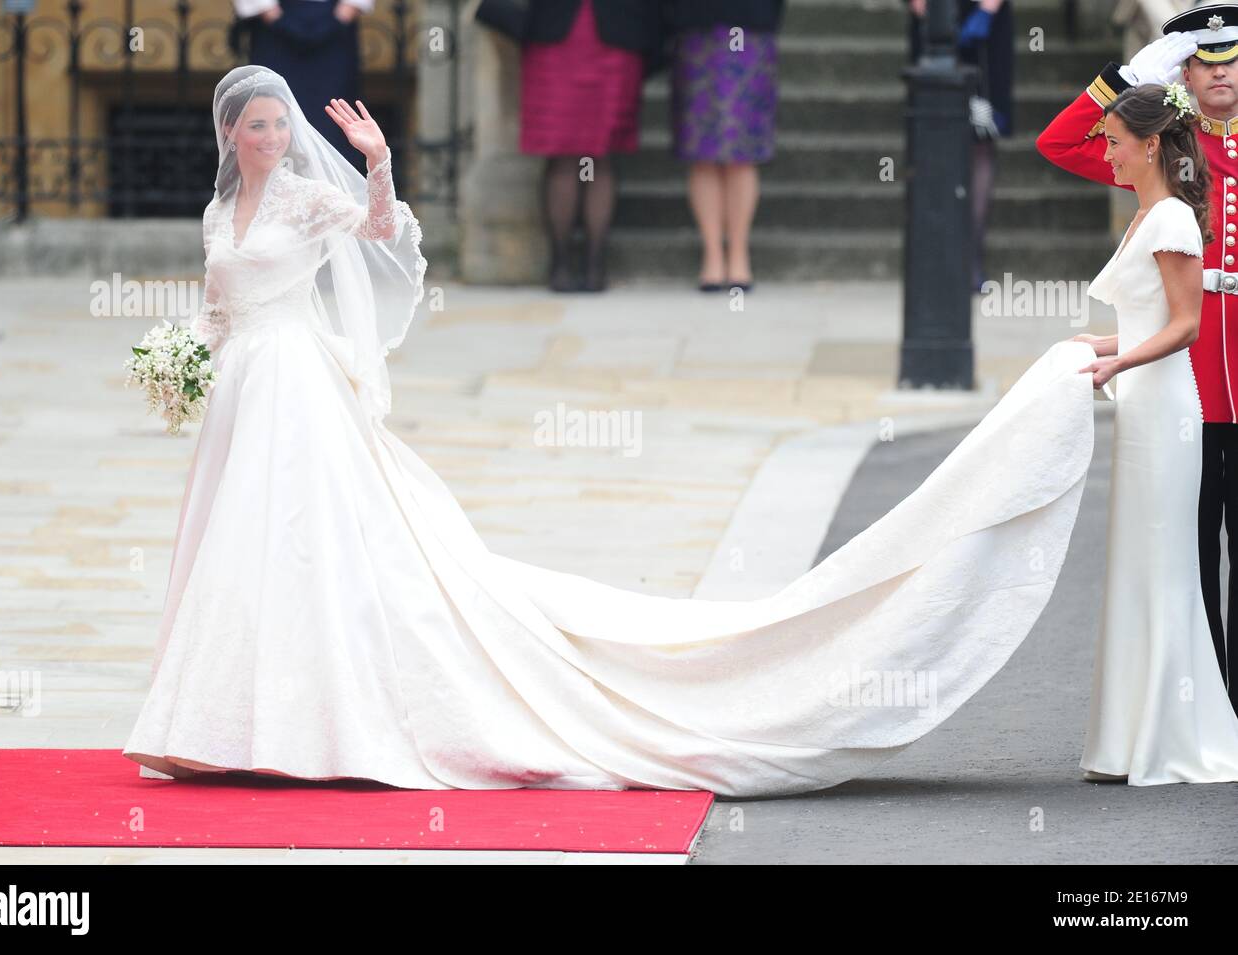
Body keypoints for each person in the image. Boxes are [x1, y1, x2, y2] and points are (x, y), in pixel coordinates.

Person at [121, 65, 1228, 795]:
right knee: (240, 543)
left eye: (277, 123)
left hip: (303, 393)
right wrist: (184, 360)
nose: (268, 136)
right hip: (243, 389)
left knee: (316, 538)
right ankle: (220, 714)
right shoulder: (224, 208)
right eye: (253, 125)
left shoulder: (313, 198)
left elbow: (380, 233)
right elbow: (219, 301)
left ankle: (299, 719)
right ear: (233, 137)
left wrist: (375, 162)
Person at [1037, 4, 1238, 721]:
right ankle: (1208, 699)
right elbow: (1061, 144)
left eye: (1231, 61)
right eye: (1206, 63)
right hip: (1194, 383)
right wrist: (1123, 79)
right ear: (1185, 72)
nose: (1221, 75)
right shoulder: (1173, 157)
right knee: (1189, 555)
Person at [518, 0, 663, 293]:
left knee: (599, 153)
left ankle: (595, 262)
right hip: (556, 34)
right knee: (562, 151)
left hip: (616, 34)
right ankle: (560, 262)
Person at [664, 0, 784, 294]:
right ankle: (713, 254)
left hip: (748, 28)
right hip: (697, 30)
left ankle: (739, 253)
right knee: (701, 151)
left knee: (741, 150)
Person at [908, 0, 1014, 293]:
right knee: (932, 136)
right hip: (933, 19)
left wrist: (988, 9)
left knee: (981, 142)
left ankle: (969, 258)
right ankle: (938, 257)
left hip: (986, 22)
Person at [235, 0, 371, 170]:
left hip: (335, 34)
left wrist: (338, 19)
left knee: (332, 117)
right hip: (274, 35)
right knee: (275, 111)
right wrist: (275, 17)